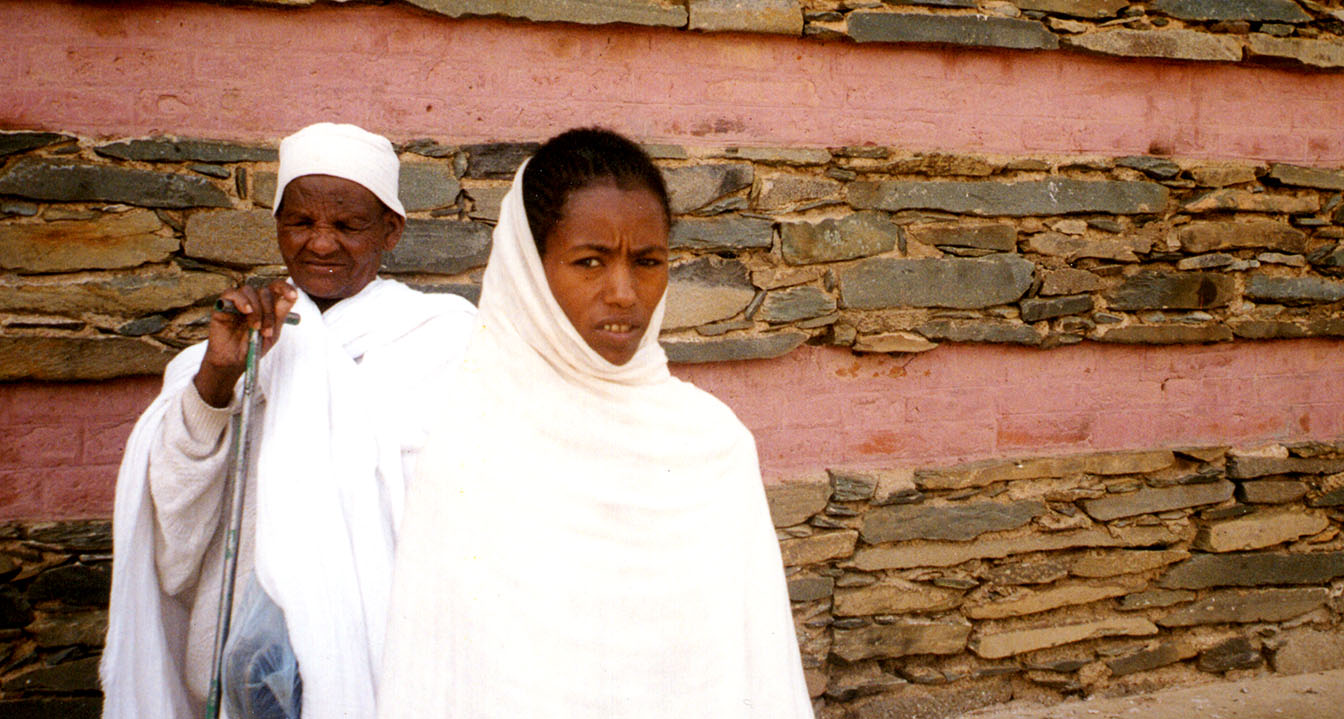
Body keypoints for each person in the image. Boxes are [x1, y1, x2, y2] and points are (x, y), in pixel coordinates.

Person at [376, 128, 814, 718]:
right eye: (589, 261)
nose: (624, 293)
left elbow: (748, 676)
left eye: (648, 261)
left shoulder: (712, 444)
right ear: (530, 268)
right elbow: (442, 682)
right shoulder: (463, 443)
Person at [101, 122, 477, 719]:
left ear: (392, 231)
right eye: (301, 222)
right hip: (241, 668)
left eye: (348, 225)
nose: (321, 244)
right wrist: (221, 375)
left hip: (388, 655)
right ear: (278, 227)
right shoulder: (237, 343)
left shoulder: (442, 337)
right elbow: (175, 511)